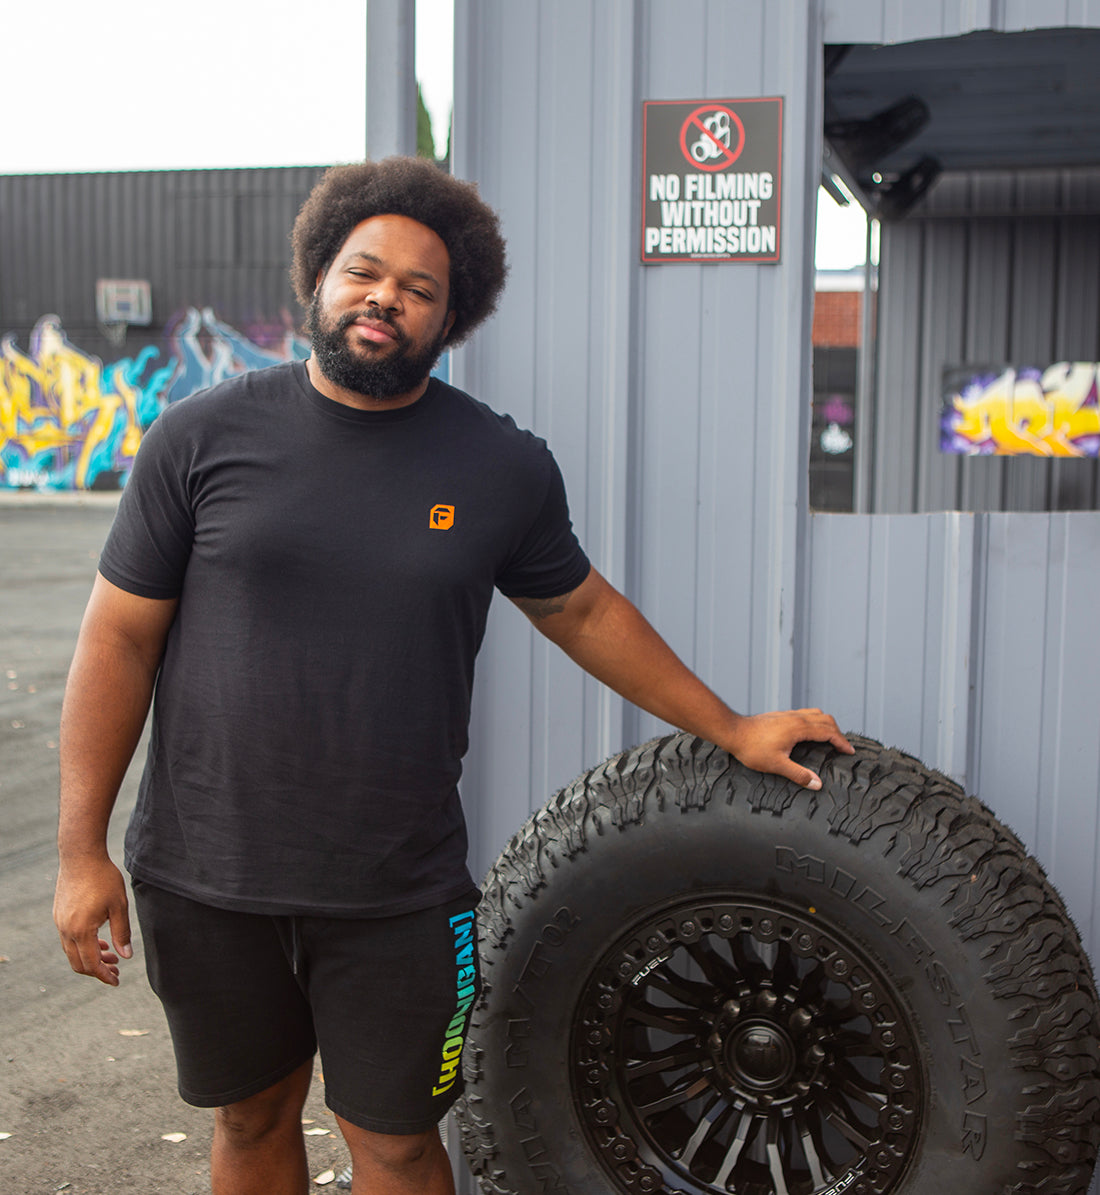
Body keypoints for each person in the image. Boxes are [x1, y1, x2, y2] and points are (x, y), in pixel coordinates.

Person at [53, 156, 853, 1195]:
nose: (383, 296)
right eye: (361, 271)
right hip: (207, 877)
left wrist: (729, 725)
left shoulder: (497, 466)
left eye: (418, 287)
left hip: (394, 889)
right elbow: (115, 640)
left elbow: (582, 609)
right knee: (249, 1119)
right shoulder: (200, 438)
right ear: (319, 279)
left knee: (391, 1140)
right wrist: (80, 851)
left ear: (450, 316)